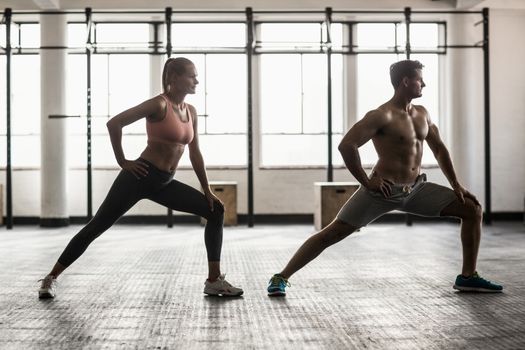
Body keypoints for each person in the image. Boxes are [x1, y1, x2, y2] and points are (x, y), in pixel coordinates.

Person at [267, 59, 502, 296]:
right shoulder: (381, 115)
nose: (425, 84)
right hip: (383, 192)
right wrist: (367, 182)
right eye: (420, 79)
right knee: (333, 233)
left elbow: (439, 149)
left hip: (417, 189)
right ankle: (281, 277)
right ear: (406, 81)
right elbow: (347, 145)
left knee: (472, 209)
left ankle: (468, 277)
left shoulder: (423, 114)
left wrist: (456, 184)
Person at [39, 57, 243, 299]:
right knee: (96, 227)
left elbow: (195, 152)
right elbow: (115, 123)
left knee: (215, 210)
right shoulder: (159, 105)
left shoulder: (191, 112)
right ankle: (50, 279)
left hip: (164, 182)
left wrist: (206, 189)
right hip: (140, 176)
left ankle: (213, 281)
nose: (196, 80)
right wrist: (123, 161)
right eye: (191, 75)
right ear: (174, 78)